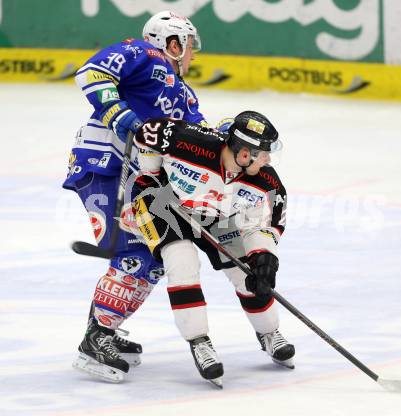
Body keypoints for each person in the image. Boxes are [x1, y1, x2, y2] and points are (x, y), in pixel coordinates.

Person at [64, 11, 207, 383]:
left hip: (141, 180)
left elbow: (199, 140)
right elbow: (92, 74)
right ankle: (95, 339)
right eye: (189, 46)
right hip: (103, 165)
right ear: (173, 43)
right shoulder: (144, 53)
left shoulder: (183, 93)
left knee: (159, 256)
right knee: (133, 253)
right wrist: (117, 112)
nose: (192, 55)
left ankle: (105, 328)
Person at [132, 111, 294, 388]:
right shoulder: (189, 142)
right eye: (263, 153)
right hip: (161, 203)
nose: (268, 160)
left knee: (248, 273)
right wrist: (152, 172)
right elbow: (148, 130)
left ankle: (268, 332)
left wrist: (264, 257)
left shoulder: (265, 182)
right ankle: (199, 341)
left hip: (215, 214)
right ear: (244, 154)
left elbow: (264, 224)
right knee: (182, 262)